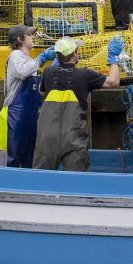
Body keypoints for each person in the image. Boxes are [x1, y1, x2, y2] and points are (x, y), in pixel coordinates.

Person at [33, 35, 123, 171]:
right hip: (73, 139)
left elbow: (41, 92)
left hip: (47, 137)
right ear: (75, 53)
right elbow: (114, 81)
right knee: (77, 179)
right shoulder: (85, 75)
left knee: (41, 178)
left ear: (57, 55)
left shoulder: (48, 71)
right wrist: (114, 58)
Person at [0, 24, 55, 168]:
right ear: (20, 39)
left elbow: (39, 90)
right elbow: (22, 72)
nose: (33, 37)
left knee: (30, 156)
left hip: (30, 115)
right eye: (29, 35)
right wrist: (42, 58)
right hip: (16, 115)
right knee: (13, 156)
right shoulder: (16, 56)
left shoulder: (28, 59)